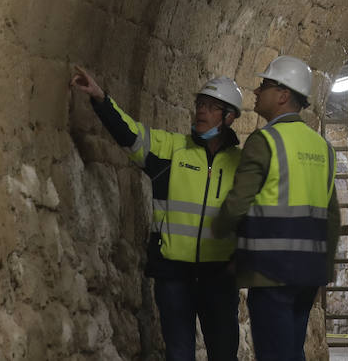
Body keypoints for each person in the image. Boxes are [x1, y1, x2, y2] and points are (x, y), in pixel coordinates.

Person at [69, 65, 242, 361]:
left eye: (212, 107)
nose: (201, 112)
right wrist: (100, 98)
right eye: (200, 104)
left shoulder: (242, 165)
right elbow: (129, 134)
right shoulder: (171, 150)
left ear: (229, 117)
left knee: (224, 354)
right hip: (174, 276)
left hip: (219, 278)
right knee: (178, 354)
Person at [214, 56, 339, 361]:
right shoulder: (322, 147)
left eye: (265, 85)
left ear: (283, 95)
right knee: (290, 351)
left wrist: (218, 232)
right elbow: (333, 217)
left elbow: (237, 203)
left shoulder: (265, 140)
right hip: (308, 274)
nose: (256, 91)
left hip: (271, 271)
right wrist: (324, 266)